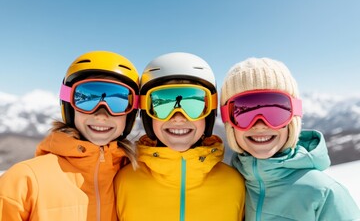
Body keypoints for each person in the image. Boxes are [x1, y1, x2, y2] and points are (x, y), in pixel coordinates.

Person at [0, 51, 140, 221]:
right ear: (68, 106)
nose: (102, 114)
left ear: (131, 113)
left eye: (118, 102)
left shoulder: (134, 178)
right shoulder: (24, 180)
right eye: (87, 99)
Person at [220, 57, 360, 220]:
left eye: (275, 111)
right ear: (229, 124)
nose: (259, 125)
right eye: (243, 112)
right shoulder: (228, 187)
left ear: (293, 120)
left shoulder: (323, 194)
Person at [114, 52, 245, 221]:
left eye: (193, 105)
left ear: (209, 114)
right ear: (147, 115)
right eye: (162, 104)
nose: (178, 117)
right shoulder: (124, 181)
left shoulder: (234, 184)